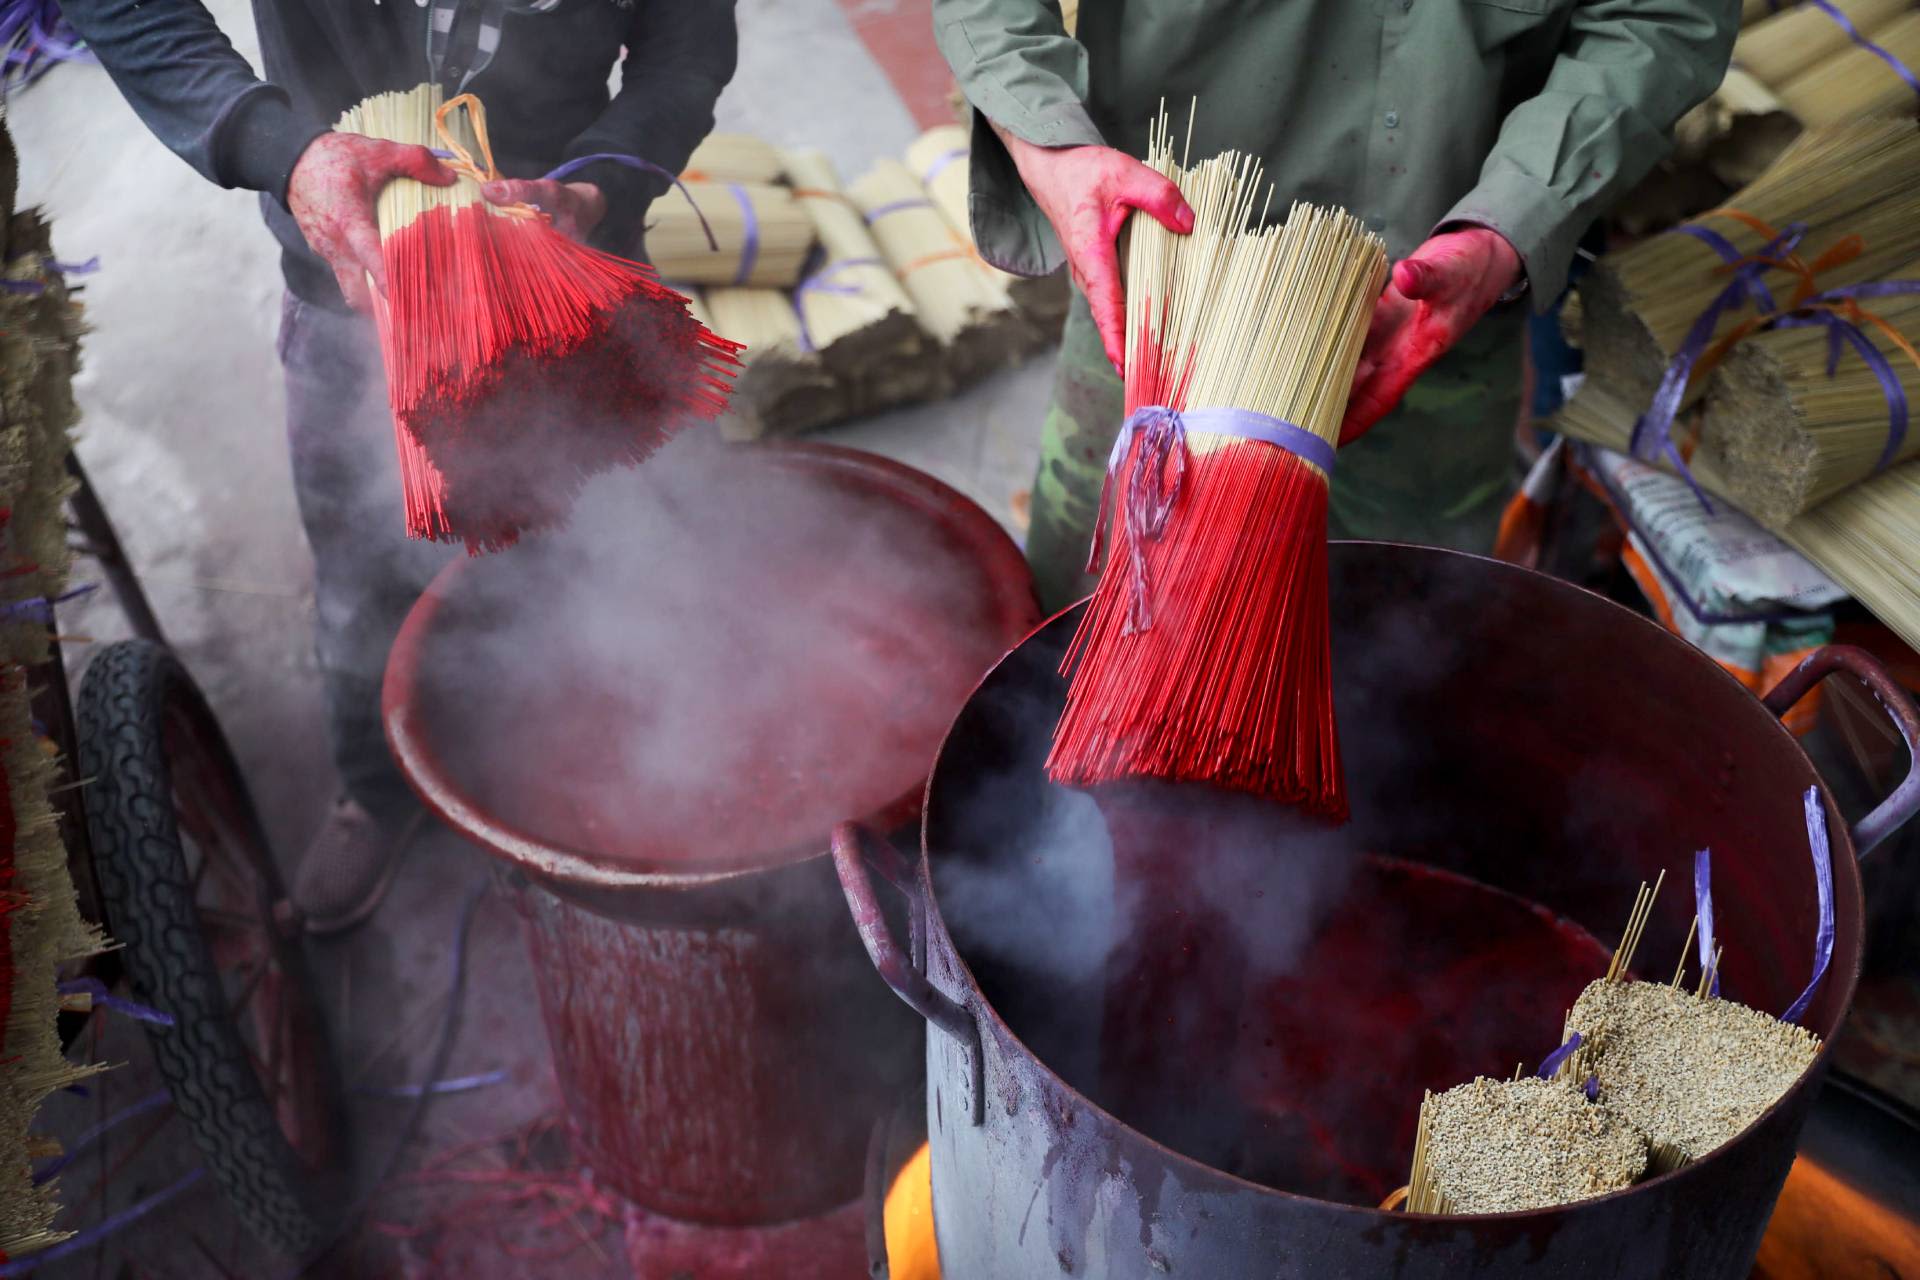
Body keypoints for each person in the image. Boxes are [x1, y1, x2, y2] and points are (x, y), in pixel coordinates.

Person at [59, 0, 739, 933]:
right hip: (352, 284)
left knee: (642, 551)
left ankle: (649, 776)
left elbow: (689, 47)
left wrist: (598, 185)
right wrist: (281, 151)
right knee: (366, 584)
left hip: (570, 252)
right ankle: (377, 793)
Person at [933, 0, 1738, 613]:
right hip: (1159, 293)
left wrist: (1513, 224)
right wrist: (1050, 145)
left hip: (1430, 324)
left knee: (1384, 668)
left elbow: (1662, 16)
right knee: (1089, 633)